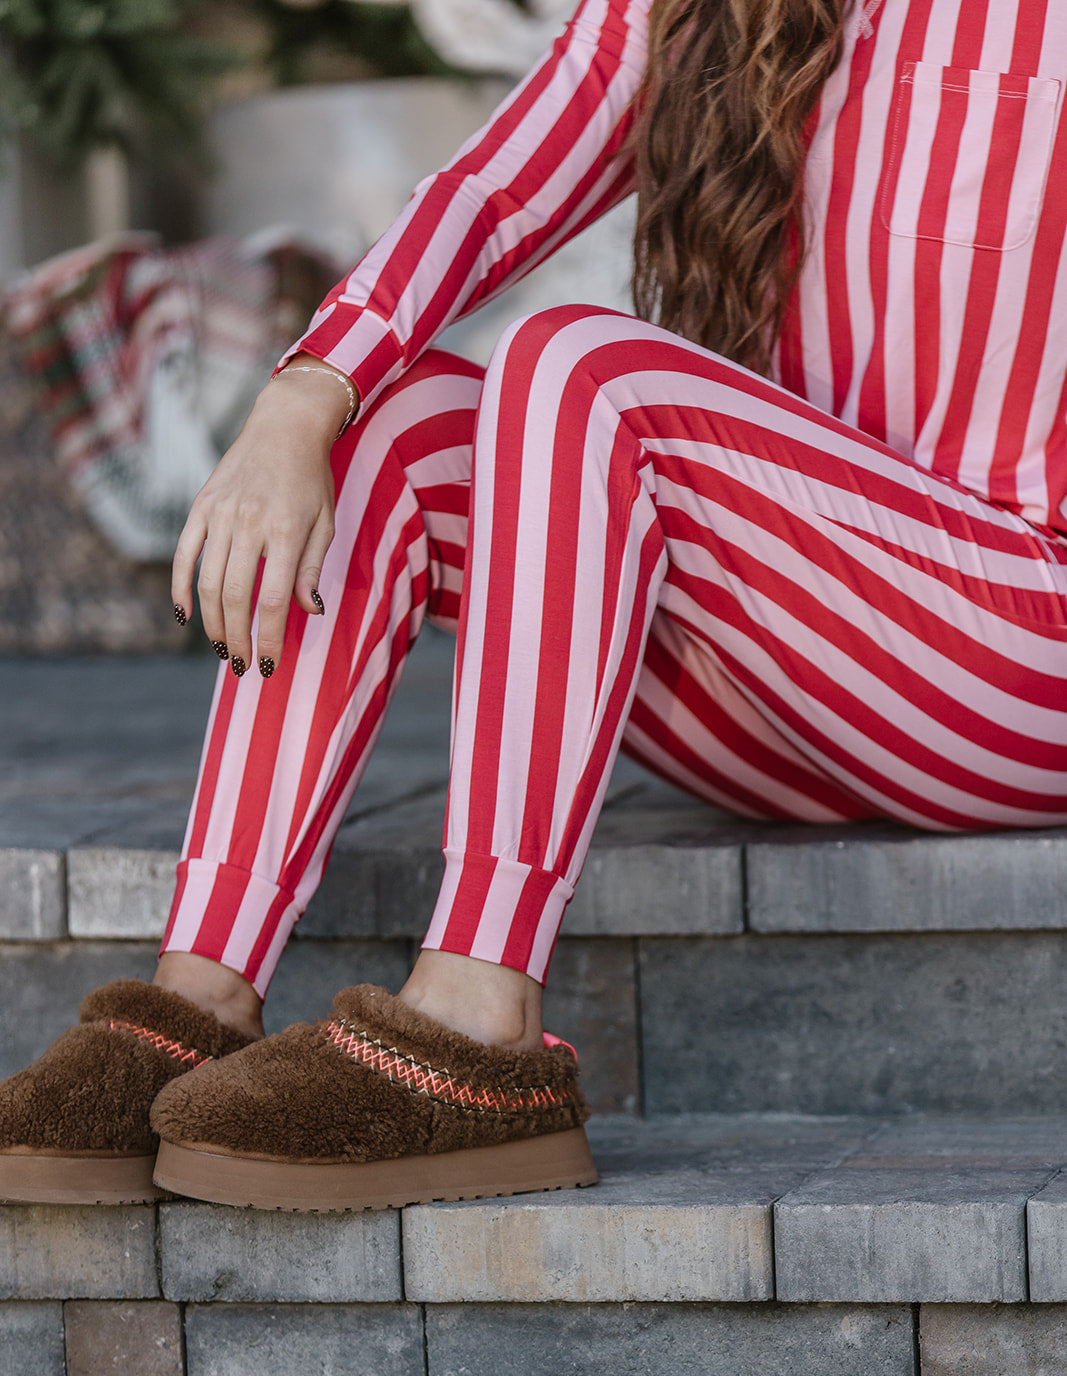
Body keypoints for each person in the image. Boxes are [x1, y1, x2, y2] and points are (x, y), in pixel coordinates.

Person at [2, 0, 1065, 1211]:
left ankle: (479, 1024)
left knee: (580, 364)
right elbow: (489, 191)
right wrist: (303, 395)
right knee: (385, 423)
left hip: (1011, 660)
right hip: (789, 679)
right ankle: (193, 1001)